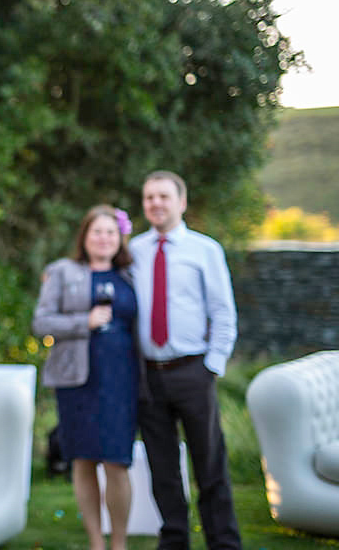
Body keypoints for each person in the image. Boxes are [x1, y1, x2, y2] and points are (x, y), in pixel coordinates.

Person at [129, 171, 241, 550]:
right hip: (149, 375)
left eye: (163, 196)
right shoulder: (135, 251)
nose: (155, 204)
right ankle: (174, 540)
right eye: (149, 198)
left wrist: (212, 366)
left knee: (210, 464)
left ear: (182, 201)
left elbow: (223, 312)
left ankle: (223, 542)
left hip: (193, 370)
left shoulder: (204, 249)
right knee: (163, 468)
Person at [32, 204, 141, 550]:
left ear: (119, 238)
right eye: (97, 231)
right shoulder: (62, 272)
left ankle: (119, 542)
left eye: (111, 232)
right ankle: (96, 542)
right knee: (83, 460)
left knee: (117, 462)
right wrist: (85, 322)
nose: (104, 238)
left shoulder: (132, 274)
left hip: (122, 382)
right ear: (85, 236)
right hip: (77, 383)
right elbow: (42, 323)